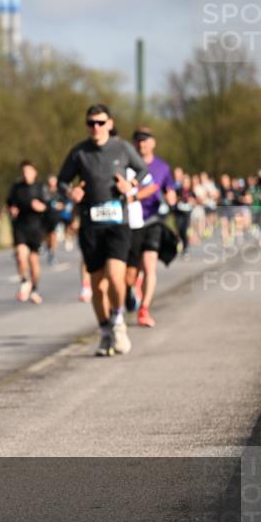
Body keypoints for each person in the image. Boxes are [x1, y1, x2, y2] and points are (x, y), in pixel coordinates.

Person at [57, 104, 147, 356]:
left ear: (109, 123)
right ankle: (105, 331)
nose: (95, 127)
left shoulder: (122, 148)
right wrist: (70, 192)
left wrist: (130, 184)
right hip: (90, 223)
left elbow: (142, 169)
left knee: (115, 275)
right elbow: (62, 180)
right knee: (97, 285)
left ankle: (118, 320)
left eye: (100, 122)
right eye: (91, 123)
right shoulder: (79, 152)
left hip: (118, 221)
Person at [124, 127, 176, 328]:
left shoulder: (162, 167)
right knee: (132, 271)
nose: (142, 144)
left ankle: (144, 309)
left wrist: (171, 197)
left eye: (145, 140)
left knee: (149, 265)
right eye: (138, 140)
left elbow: (169, 189)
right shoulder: (127, 165)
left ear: (153, 143)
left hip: (153, 221)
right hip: (131, 222)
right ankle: (130, 289)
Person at [7, 161, 48, 303]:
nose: (26, 175)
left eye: (29, 171)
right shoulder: (16, 187)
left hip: (36, 228)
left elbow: (48, 206)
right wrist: (12, 209)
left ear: (35, 172)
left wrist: (41, 207)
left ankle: (35, 289)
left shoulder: (41, 187)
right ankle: (24, 281)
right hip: (20, 227)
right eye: (23, 172)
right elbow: (9, 203)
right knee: (20, 255)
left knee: (33, 261)